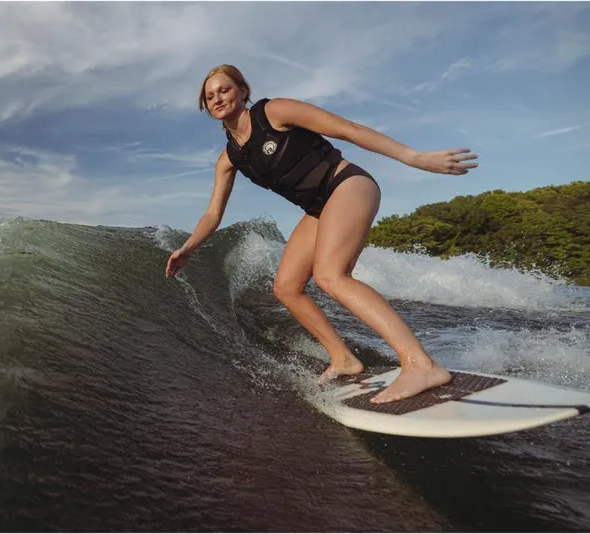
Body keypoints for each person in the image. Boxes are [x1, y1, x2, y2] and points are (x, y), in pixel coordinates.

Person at [165, 64, 478, 404]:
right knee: (286, 287)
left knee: (331, 276)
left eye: (224, 90)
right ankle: (344, 360)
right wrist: (188, 248)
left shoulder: (274, 111)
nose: (217, 99)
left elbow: (347, 129)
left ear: (242, 90)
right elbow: (213, 213)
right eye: (209, 97)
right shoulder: (229, 158)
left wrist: (413, 157)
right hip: (317, 210)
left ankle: (421, 364)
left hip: (346, 185)